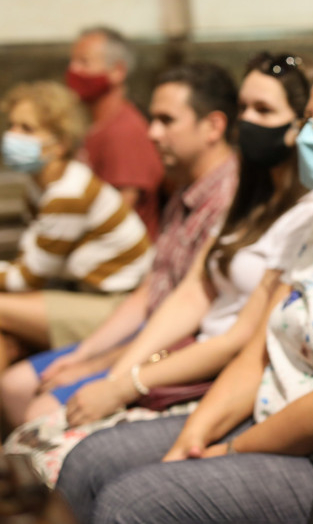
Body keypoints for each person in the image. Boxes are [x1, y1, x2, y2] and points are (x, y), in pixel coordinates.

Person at [56, 61, 313, 524]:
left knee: (134, 502)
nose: (306, 136)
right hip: (269, 418)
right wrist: (191, 439)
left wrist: (234, 448)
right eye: (308, 119)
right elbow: (257, 354)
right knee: (89, 462)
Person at [2, 52, 313, 487]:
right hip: (183, 357)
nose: (247, 123)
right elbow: (187, 292)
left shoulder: (311, 212)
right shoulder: (246, 199)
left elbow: (241, 339)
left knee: (66, 454)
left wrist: (123, 380)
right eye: (244, 109)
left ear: (301, 126)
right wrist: (114, 372)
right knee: (35, 429)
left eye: (264, 110)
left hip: (217, 374)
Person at [0, 63, 239, 423]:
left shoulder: (228, 197)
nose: (152, 133)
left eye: (166, 120)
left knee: (43, 407)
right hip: (134, 320)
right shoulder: (184, 190)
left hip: (169, 341)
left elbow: (190, 315)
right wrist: (84, 354)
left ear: (214, 126)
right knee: (15, 384)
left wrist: (105, 371)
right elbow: (151, 290)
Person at [0, 81, 152, 370]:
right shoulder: (41, 185)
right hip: (78, 292)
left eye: (27, 129)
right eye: (12, 125)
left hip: (116, 305)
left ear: (60, 144)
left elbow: (29, 277)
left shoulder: (68, 195)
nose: (12, 136)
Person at [66, 27, 164, 238]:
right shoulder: (95, 125)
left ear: (117, 71)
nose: (74, 70)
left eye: (84, 62)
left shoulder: (124, 132)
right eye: (72, 61)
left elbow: (118, 213)